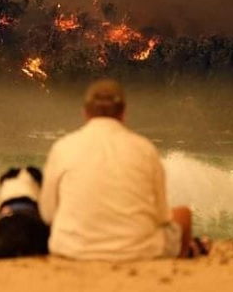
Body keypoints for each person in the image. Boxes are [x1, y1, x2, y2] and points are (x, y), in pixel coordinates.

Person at [38, 79, 195, 261]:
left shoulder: (63, 147)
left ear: (86, 113)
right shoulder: (144, 148)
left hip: (72, 250)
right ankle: (178, 268)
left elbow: (48, 214)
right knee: (183, 214)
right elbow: (161, 216)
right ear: (123, 114)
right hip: (139, 252)